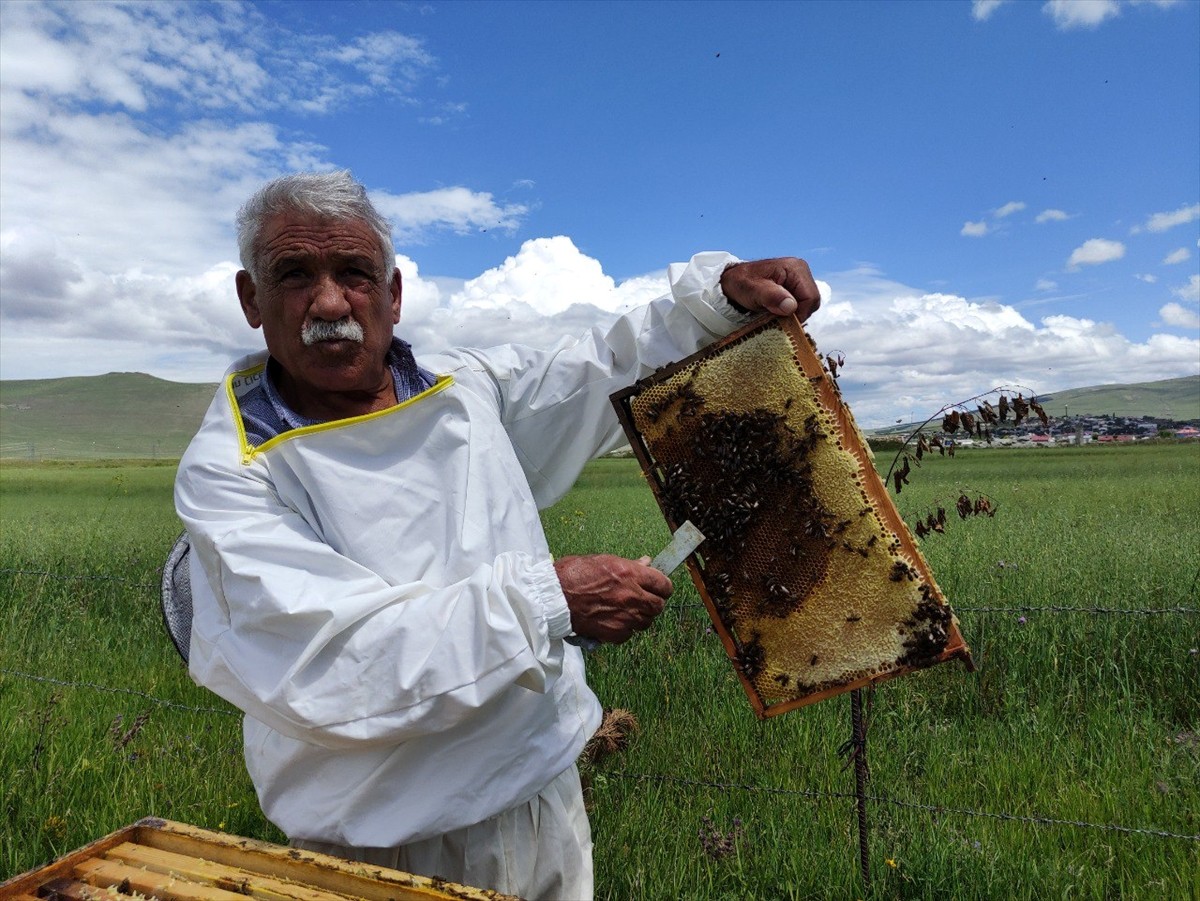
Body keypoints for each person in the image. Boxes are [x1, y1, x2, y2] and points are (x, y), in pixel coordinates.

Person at [175, 170, 823, 900]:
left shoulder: (462, 383)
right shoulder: (230, 472)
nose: (330, 303)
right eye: (294, 274)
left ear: (391, 295)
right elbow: (337, 660)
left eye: (354, 273)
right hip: (373, 852)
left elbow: (594, 372)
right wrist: (550, 600)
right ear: (250, 299)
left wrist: (715, 303)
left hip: (541, 804)